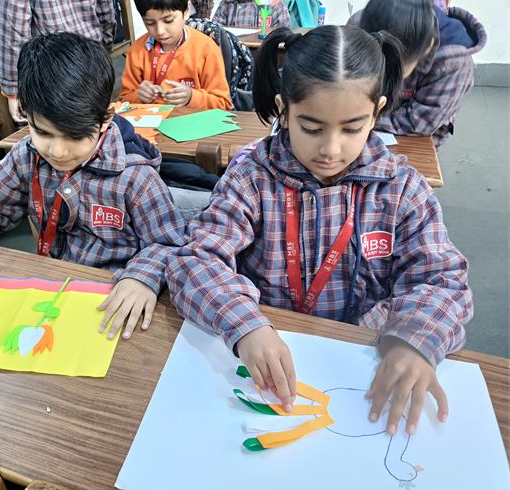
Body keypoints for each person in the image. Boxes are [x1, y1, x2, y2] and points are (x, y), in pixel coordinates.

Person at [166, 25, 473, 436]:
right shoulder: (252, 177)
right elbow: (196, 260)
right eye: (311, 128)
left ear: (377, 112)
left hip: (359, 366)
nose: (331, 148)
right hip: (266, 359)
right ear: (283, 110)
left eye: (352, 128)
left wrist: (415, 339)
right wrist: (245, 324)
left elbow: (442, 280)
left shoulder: (401, 189)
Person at [0, 33, 187, 341]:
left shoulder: (135, 177)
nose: (57, 151)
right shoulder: (27, 156)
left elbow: (171, 243)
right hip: (54, 294)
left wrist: (141, 277)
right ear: (25, 114)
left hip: (116, 301)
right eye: (42, 132)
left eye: (74, 136)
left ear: (105, 118)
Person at [353, 0, 486, 148]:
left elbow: (419, 123)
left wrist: (358, 117)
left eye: (392, 67)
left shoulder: (453, 64)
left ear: (427, 48)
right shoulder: (359, 25)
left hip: (413, 135)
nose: (381, 71)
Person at [0, 0, 116, 123]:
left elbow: (11, 28)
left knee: (52, 126)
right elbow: (105, 8)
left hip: (50, 71)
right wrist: (104, 50)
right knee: (95, 121)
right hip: (91, 57)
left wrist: (13, 89)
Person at [120, 0, 231, 110]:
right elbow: (123, 101)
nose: (160, 31)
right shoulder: (136, 51)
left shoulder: (206, 49)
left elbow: (223, 104)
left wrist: (191, 97)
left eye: (168, 21)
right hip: (150, 120)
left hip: (191, 119)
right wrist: (138, 96)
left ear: (186, 10)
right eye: (150, 23)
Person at [212, 0, 290, 29]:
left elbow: (284, 35)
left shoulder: (275, 4)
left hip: (264, 53)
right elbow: (215, 28)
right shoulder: (228, 2)